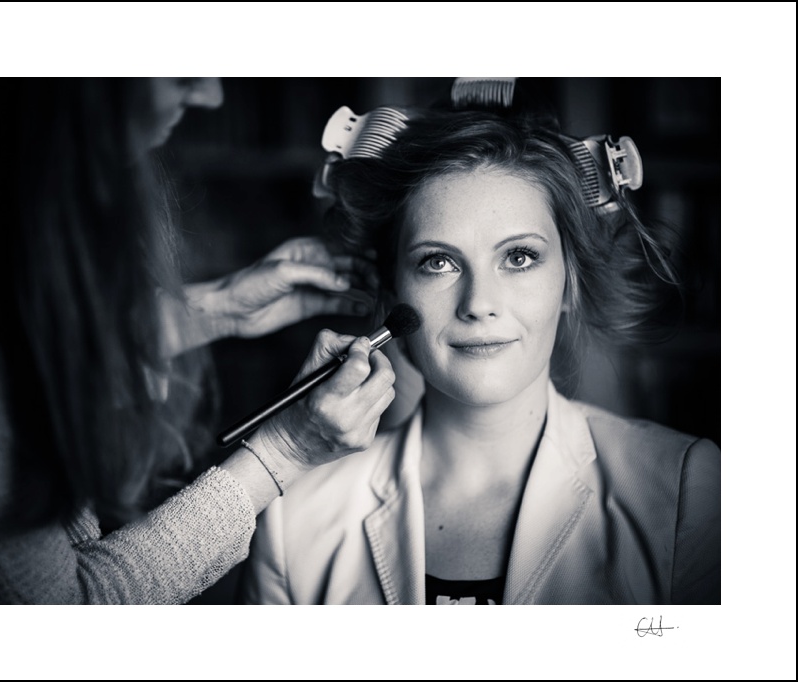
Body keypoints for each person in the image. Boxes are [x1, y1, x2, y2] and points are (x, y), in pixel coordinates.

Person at [0, 77, 396, 604]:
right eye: (179, 66)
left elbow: (22, 344)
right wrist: (282, 451)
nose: (210, 96)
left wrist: (219, 306)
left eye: (514, 258)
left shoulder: (9, 243)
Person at [238, 100, 721, 605]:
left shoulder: (683, 489)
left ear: (570, 284)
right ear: (389, 289)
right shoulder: (292, 517)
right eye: (439, 262)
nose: (479, 304)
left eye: (519, 257)